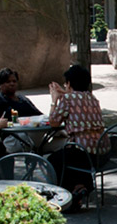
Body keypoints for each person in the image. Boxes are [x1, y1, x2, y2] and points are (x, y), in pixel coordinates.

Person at [47, 65, 109, 202]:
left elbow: (53, 122)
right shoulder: (92, 98)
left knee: (53, 160)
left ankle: (68, 194)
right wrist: (64, 93)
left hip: (83, 152)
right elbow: (77, 100)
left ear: (69, 83)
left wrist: (54, 100)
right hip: (101, 151)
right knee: (66, 154)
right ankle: (82, 186)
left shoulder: (67, 100)